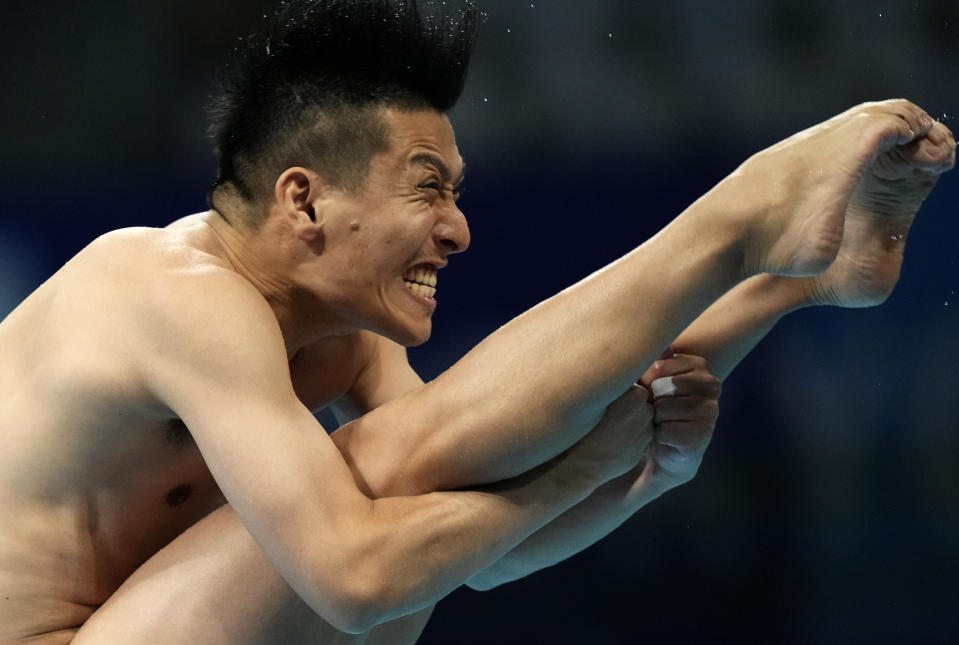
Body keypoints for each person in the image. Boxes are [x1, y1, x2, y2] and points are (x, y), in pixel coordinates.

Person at [0, 1, 954, 643]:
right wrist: (582, 468)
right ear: (304, 199)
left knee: (413, 485)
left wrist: (649, 471)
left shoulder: (337, 326)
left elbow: (477, 558)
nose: (457, 229)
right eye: (428, 189)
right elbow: (358, 577)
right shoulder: (172, 292)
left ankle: (789, 278)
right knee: (381, 483)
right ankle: (739, 218)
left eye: (456, 193)